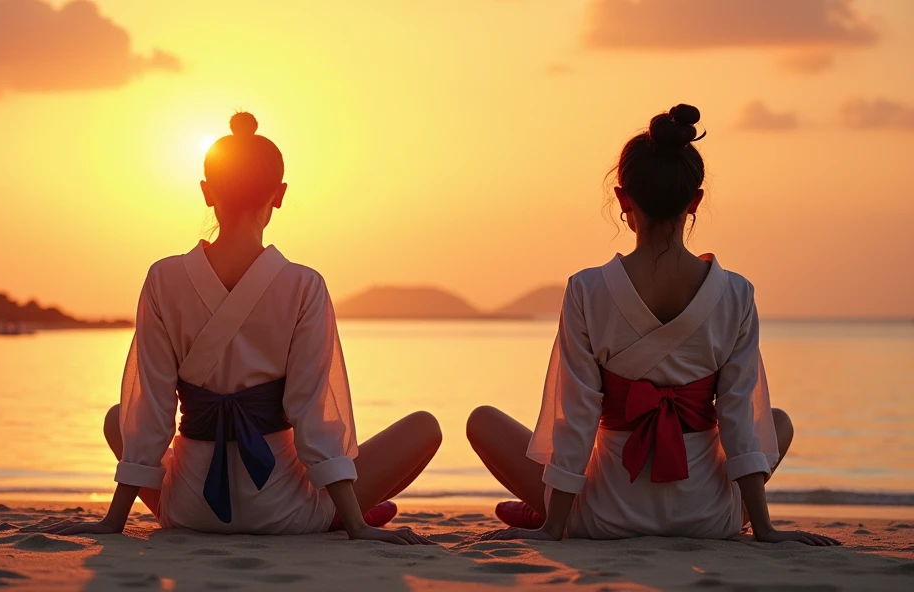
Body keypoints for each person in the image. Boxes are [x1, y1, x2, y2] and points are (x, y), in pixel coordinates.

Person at [52, 113, 441, 545]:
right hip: (283, 510)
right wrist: (357, 527)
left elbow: (151, 413)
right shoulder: (303, 285)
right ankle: (348, 513)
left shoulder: (163, 279)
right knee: (424, 427)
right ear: (279, 196)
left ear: (206, 192)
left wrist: (113, 522)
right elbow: (314, 415)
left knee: (119, 416)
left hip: (188, 509)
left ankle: (348, 512)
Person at [466, 105, 839, 546]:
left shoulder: (587, 289)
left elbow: (577, 418)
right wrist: (764, 530)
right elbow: (738, 415)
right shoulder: (736, 293)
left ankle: (543, 513)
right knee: (772, 420)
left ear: (624, 199)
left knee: (482, 421)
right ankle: (547, 513)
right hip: (707, 518)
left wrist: (555, 527)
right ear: (695, 200)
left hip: (607, 515)